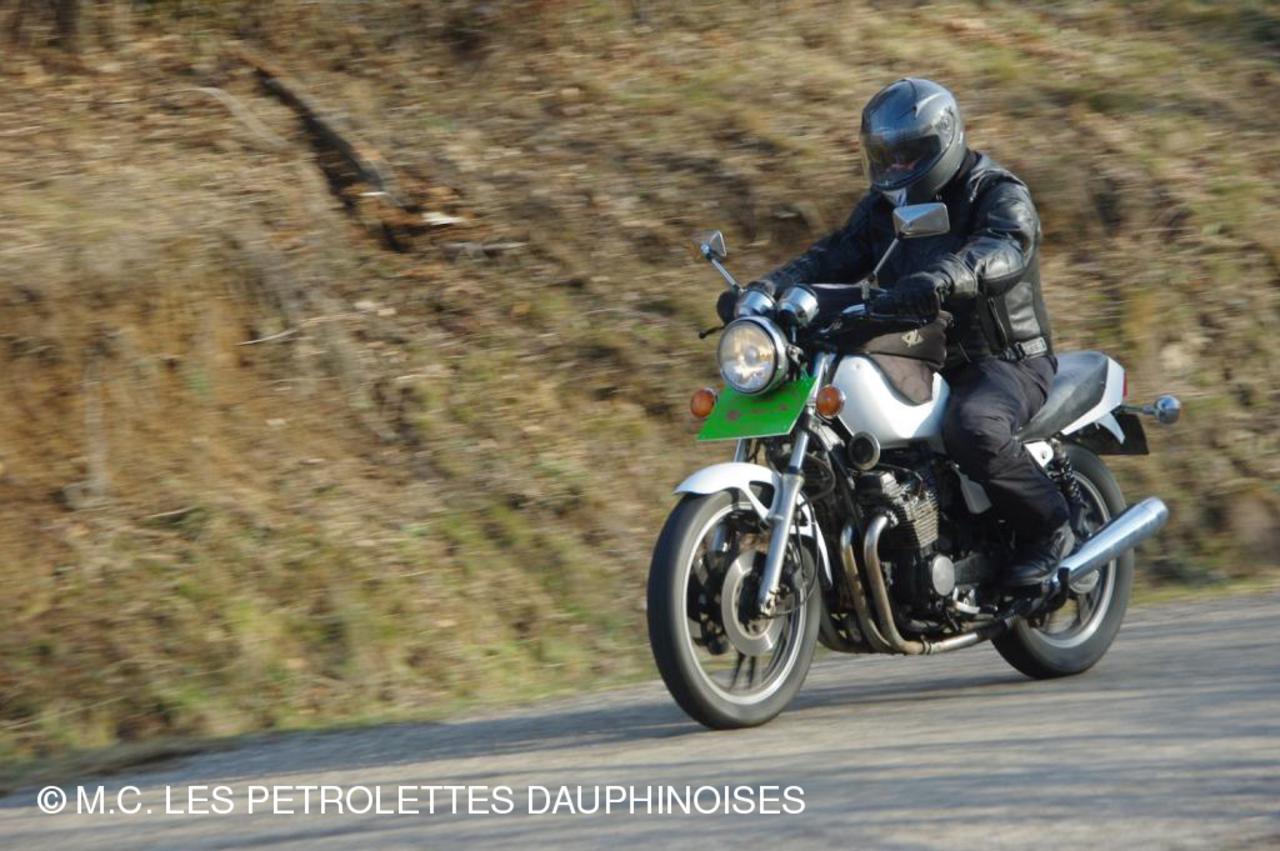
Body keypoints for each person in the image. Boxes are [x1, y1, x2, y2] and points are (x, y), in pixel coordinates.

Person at [718, 77, 1072, 588]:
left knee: (973, 428)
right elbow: (835, 254)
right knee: (841, 430)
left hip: (1002, 358)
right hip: (917, 350)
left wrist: (945, 277)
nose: (898, 168)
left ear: (945, 140)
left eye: (911, 155)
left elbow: (1004, 246)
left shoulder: (996, 192)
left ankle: (1051, 529)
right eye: (887, 157)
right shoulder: (883, 208)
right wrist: (766, 291)